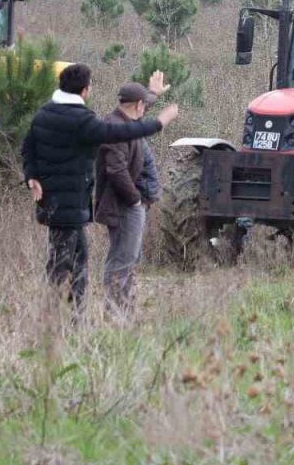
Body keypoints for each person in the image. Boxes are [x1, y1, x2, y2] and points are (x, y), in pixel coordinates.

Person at [21, 64, 177, 316]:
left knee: (78, 266)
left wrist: (31, 175)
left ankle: (75, 321)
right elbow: (120, 130)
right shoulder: (80, 121)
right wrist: (158, 123)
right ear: (85, 90)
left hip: (57, 203)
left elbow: (28, 146)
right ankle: (50, 324)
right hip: (67, 206)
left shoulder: (44, 114)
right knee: (61, 268)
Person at [95, 82, 166, 319]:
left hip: (131, 205)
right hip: (124, 206)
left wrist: (154, 94)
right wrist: (135, 200)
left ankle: (124, 311)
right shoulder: (116, 129)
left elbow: (141, 108)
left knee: (127, 259)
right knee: (122, 260)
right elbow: (116, 170)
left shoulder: (126, 122)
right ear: (138, 105)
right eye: (144, 104)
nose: (145, 108)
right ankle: (115, 315)